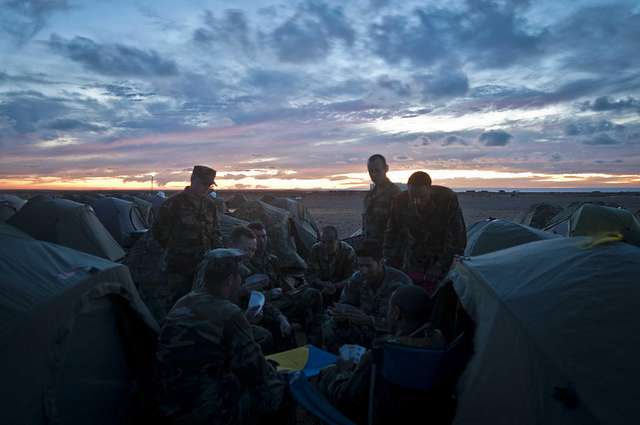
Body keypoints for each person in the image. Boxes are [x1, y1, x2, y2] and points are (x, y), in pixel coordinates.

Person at [155, 248, 291, 425]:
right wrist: (277, 373)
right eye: (239, 279)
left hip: (168, 400)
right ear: (229, 281)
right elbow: (254, 369)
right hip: (205, 409)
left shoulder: (184, 301)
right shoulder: (229, 312)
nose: (241, 283)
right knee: (280, 390)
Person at [319, 285, 445, 423]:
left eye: (389, 308)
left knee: (324, 374)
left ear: (396, 313)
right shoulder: (438, 343)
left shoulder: (381, 353)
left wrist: (343, 371)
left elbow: (346, 397)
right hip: (419, 414)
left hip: (375, 414)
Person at [323, 239, 412, 353]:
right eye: (360, 265)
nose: (364, 271)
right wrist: (340, 314)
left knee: (383, 344)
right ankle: (341, 364)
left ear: (381, 262)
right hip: (361, 329)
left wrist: (369, 320)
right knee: (328, 326)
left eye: (368, 266)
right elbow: (345, 303)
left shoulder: (400, 283)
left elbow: (403, 325)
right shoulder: (357, 278)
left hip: (388, 334)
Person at [384, 171, 466, 293]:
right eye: (413, 198)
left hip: (442, 253)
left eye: (422, 197)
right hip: (414, 256)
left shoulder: (447, 200)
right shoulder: (400, 201)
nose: (417, 202)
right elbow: (392, 234)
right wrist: (389, 261)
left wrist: (440, 266)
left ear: (430, 190)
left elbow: (457, 240)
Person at [152, 165, 222, 309]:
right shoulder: (173, 204)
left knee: (201, 306)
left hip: (204, 266)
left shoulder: (211, 205)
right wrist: (176, 249)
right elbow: (158, 232)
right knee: (179, 305)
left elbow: (215, 231)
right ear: (193, 180)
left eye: (209, 185)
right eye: (204, 184)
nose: (207, 188)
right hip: (180, 267)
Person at [246, 222, 325, 347]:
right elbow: (253, 300)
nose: (261, 241)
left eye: (264, 236)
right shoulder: (246, 265)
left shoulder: (272, 259)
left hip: (281, 300)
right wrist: (271, 299)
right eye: (257, 237)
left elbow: (281, 286)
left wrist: (295, 289)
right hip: (263, 307)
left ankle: (314, 342)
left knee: (313, 294)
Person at [307, 225, 357, 304]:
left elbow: (352, 277)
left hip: (342, 288)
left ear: (337, 240)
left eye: (331, 242)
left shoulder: (348, 251)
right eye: (323, 242)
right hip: (321, 288)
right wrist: (323, 284)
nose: (326, 246)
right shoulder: (316, 250)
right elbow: (310, 274)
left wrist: (335, 286)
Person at [362, 154, 401, 244]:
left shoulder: (395, 193)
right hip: (370, 245)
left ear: (386, 169)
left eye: (377, 170)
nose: (374, 174)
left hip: (387, 247)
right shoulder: (369, 196)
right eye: (371, 171)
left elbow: (400, 226)